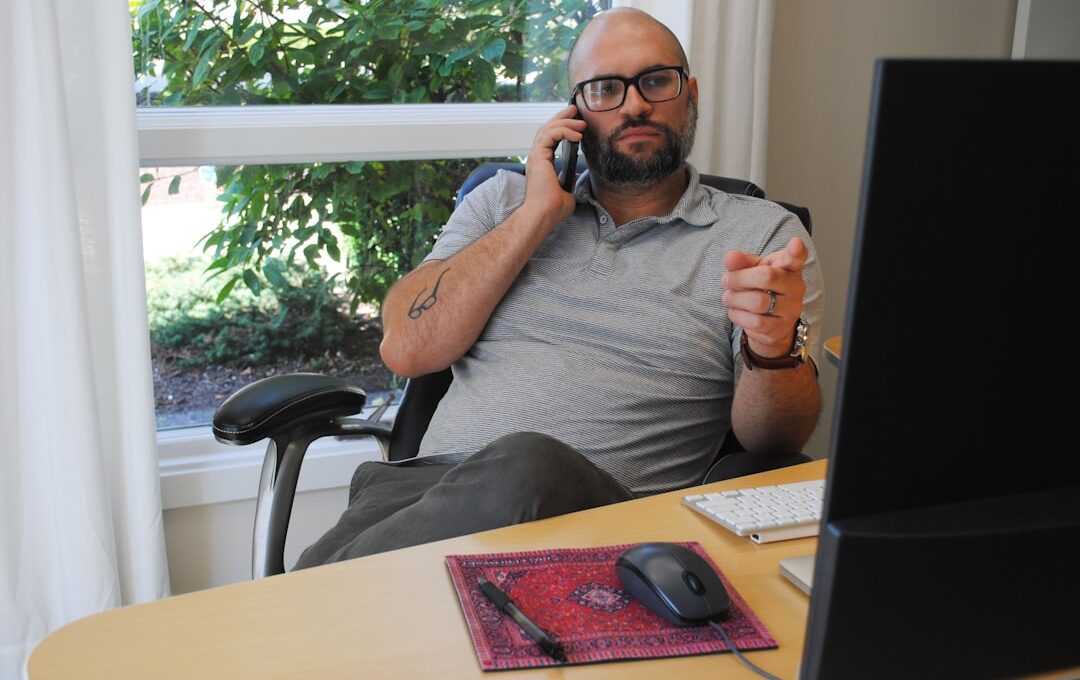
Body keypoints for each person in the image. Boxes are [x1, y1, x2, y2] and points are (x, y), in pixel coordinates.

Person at [293, 7, 824, 569]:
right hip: (416, 497)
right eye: (604, 89)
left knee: (528, 464)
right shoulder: (502, 201)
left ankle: (307, 607)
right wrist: (536, 215)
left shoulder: (762, 235)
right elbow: (405, 348)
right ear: (573, 112)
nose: (634, 104)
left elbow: (774, 443)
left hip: (608, 529)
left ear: (689, 93)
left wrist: (771, 350)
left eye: (655, 81)